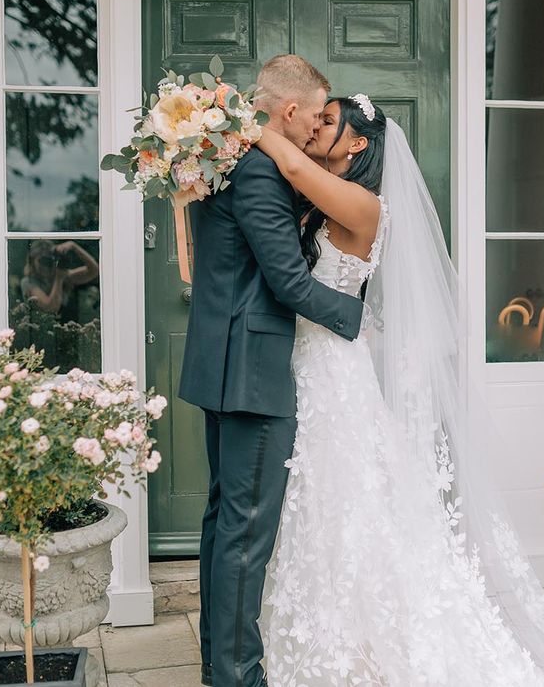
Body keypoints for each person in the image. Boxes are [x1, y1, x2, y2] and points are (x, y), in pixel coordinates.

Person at [254, 94, 544, 686]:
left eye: (328, 121)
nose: (317, 127)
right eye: (317, 117)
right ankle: (344, 643)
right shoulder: (322, 201)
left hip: (337, 373)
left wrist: (241, 124)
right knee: (327, 509)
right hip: (315, 367)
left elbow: (292, 167)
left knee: (345, 504)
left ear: (358, 144)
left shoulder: (364, 204)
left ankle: (365, 651)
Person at [178, 55, 364, 687]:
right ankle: (237, 676)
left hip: (220, 361)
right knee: (245, 531)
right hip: (252, 373)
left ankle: (215, 665)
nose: (318, 126)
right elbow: (287, 282)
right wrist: (362, 321)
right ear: (289, 110)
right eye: (316, 114)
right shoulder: (258, 169)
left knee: (221, 522)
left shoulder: (223, 156)